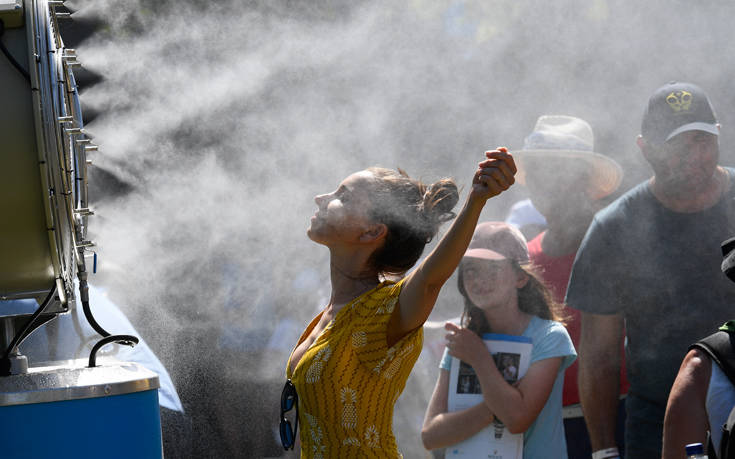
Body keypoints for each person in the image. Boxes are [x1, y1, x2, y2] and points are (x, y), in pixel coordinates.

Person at [282, 148, 517, 457]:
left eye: (343, 195)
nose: (320, 198)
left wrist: (476, 200)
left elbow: (431, 279)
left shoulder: (386, 310)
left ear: (372, 231)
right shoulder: (327, 316)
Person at [565, 81, 735, 459]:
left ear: (719, 136)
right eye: (676, 144)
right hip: (656, 428)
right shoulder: (613, 228)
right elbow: (599, 356)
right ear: (644, 148)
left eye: (702, 140)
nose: (693, 155)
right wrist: (605, 451)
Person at [511, 115, 628, 458]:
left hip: (619, 419)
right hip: (543, 428)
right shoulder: (526, 259)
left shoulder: (619, 244)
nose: (546, 183)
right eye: (538, 172)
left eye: (558, 171)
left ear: (584, 180)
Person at [420, 221, 576, 458]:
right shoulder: (463, 340)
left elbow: (516, 419)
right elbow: (431, 436)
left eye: (493, 269)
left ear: (521, 278)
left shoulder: (550, 337)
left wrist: (479, 359)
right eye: (471, 269)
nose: (479, 279)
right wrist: (494, 406)